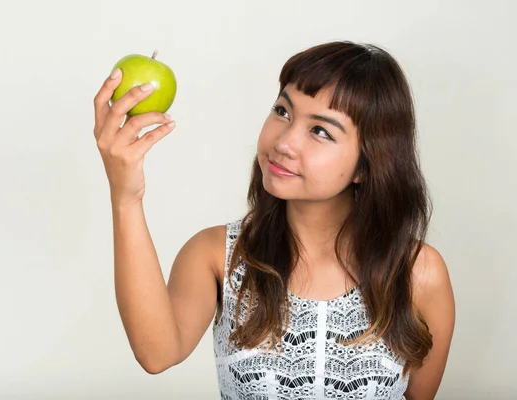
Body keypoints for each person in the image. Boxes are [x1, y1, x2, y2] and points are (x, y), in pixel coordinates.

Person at [92, 41, 455, 400]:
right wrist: (126, 197)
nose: (284, 142)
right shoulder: (215, 254)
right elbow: (157, 354)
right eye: (283, 110)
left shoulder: (418, 273)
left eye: (321, 131)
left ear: (366, 164)